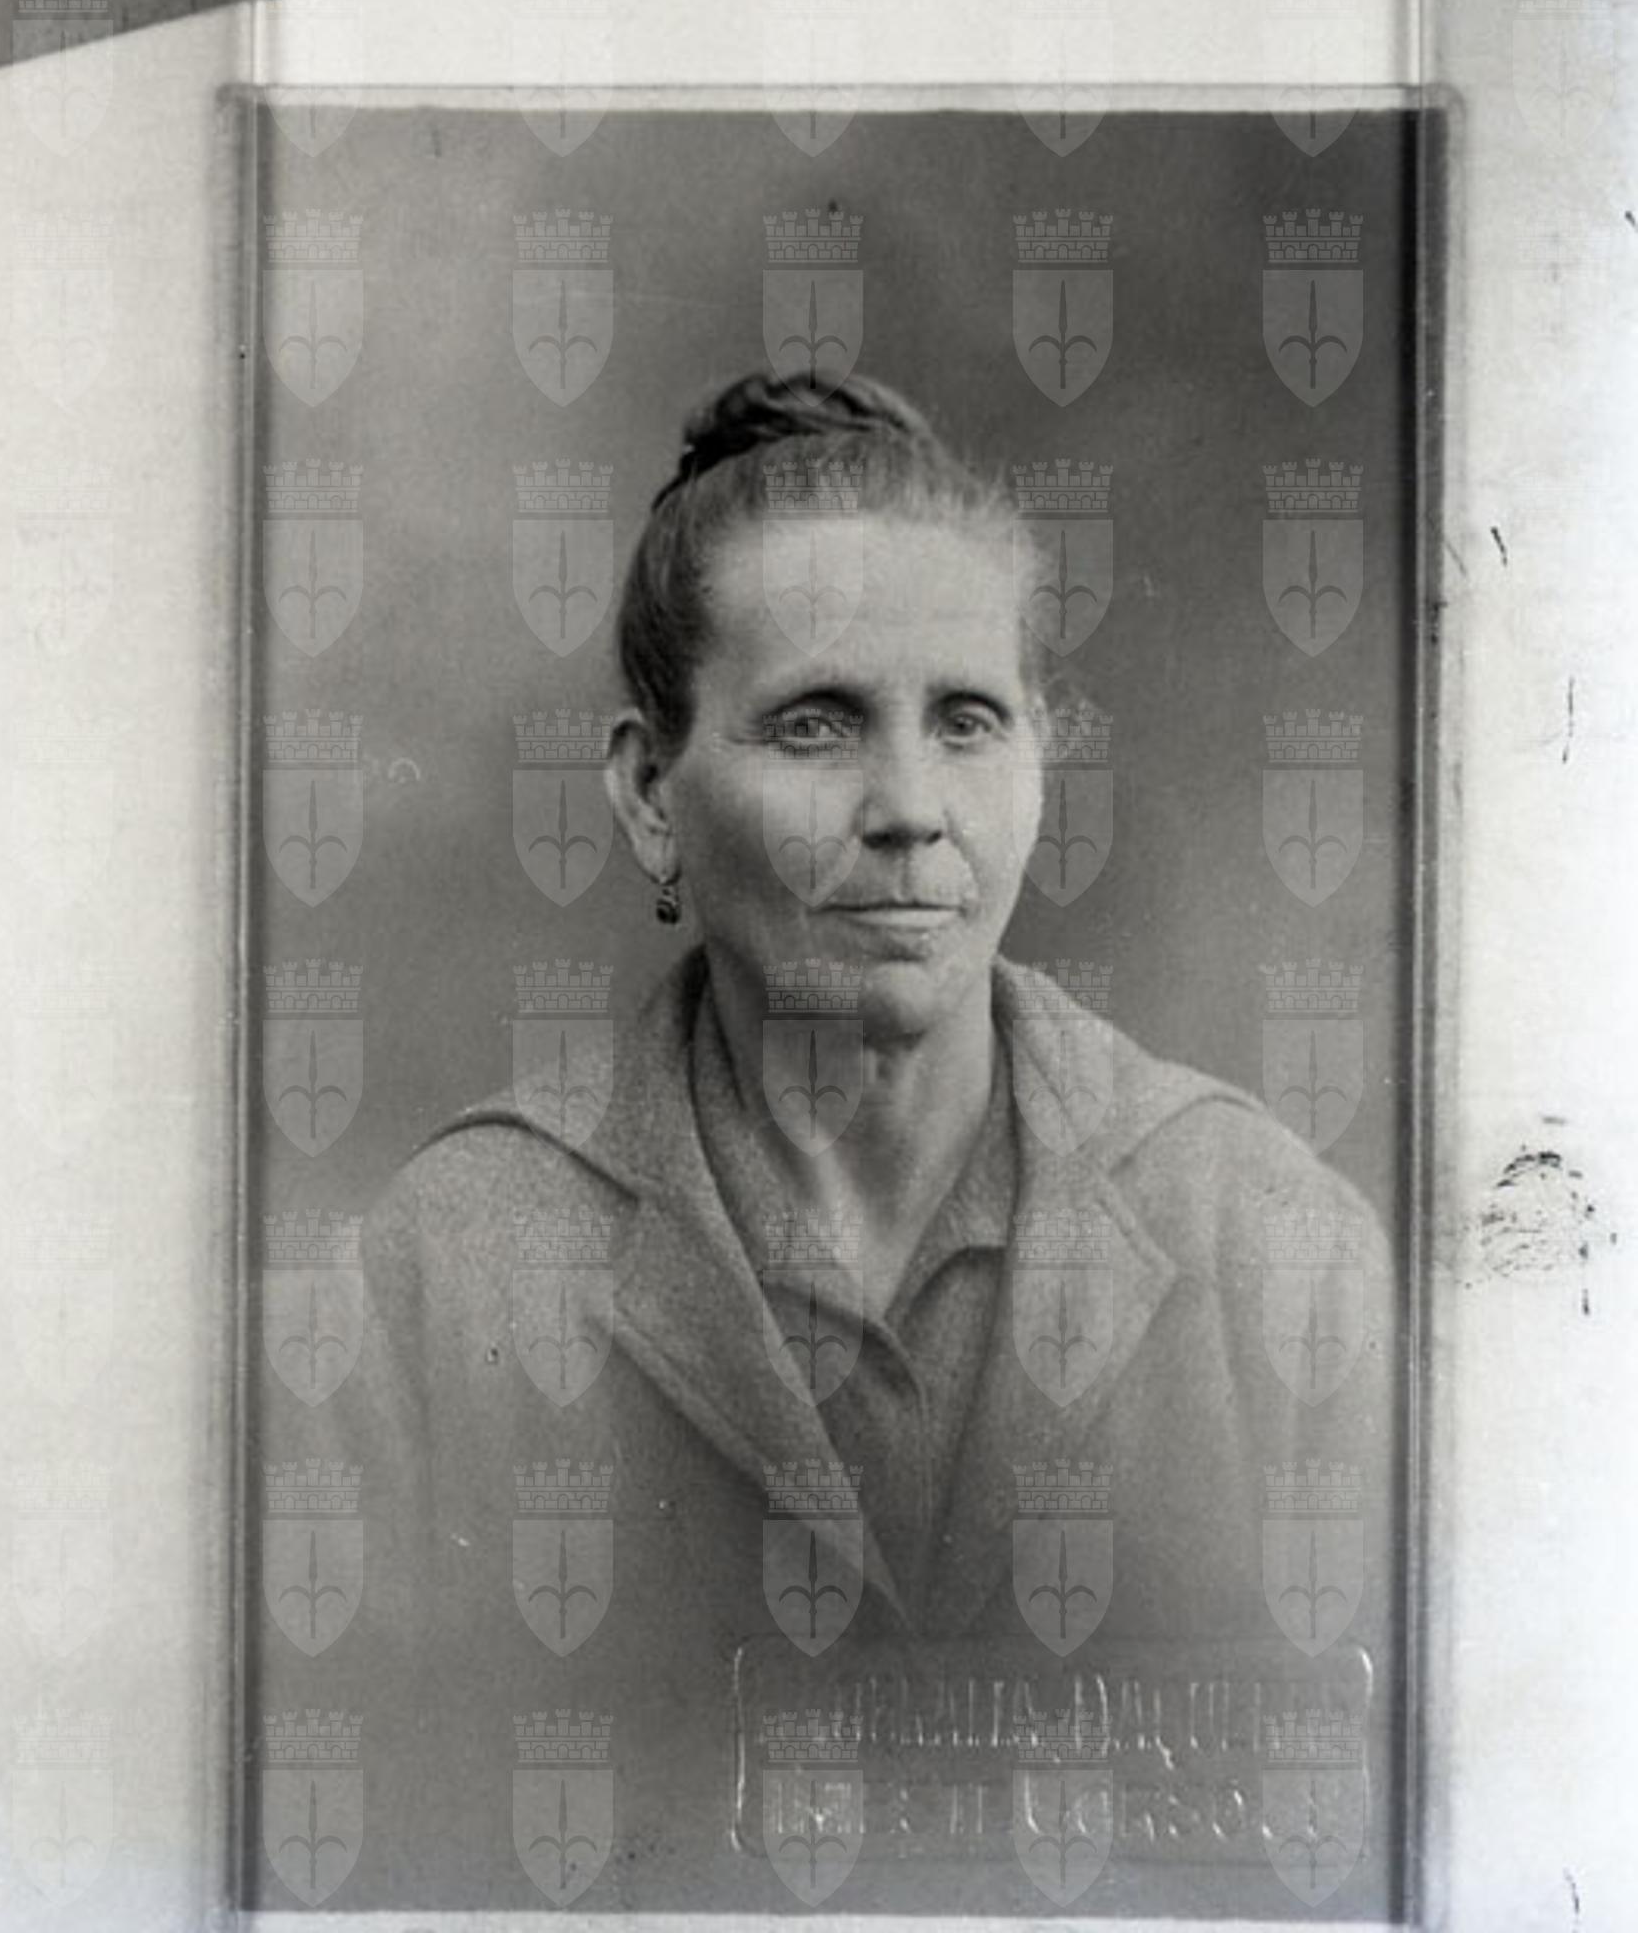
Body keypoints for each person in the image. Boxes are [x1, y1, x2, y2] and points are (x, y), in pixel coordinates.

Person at [319, 373, 1397, 1912]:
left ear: (1041, 758)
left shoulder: (1273, 1246)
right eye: (817, 725)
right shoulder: (448, 1271)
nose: (910, 808)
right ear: (649, 795)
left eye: (969, 722)